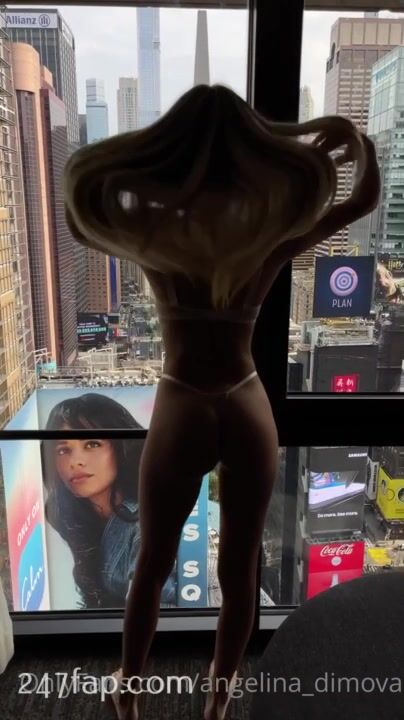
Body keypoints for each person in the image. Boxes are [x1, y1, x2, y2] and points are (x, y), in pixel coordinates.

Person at [63, 84, 380, 720]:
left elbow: (79, 219)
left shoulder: (158, 242)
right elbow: (363, 198)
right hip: (245, 399)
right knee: (240, 569)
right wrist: (349, 141)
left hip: (183, 401)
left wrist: (115, 163)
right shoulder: (262, 240)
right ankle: (219, 697)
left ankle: (129, 689)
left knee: (152, 562)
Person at [41, 393, 177, 609]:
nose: (75, 461)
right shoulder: (70, 515)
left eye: (92, 444)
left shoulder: (145, 523)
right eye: (63, 450)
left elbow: (159, 611)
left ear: (121, 447)